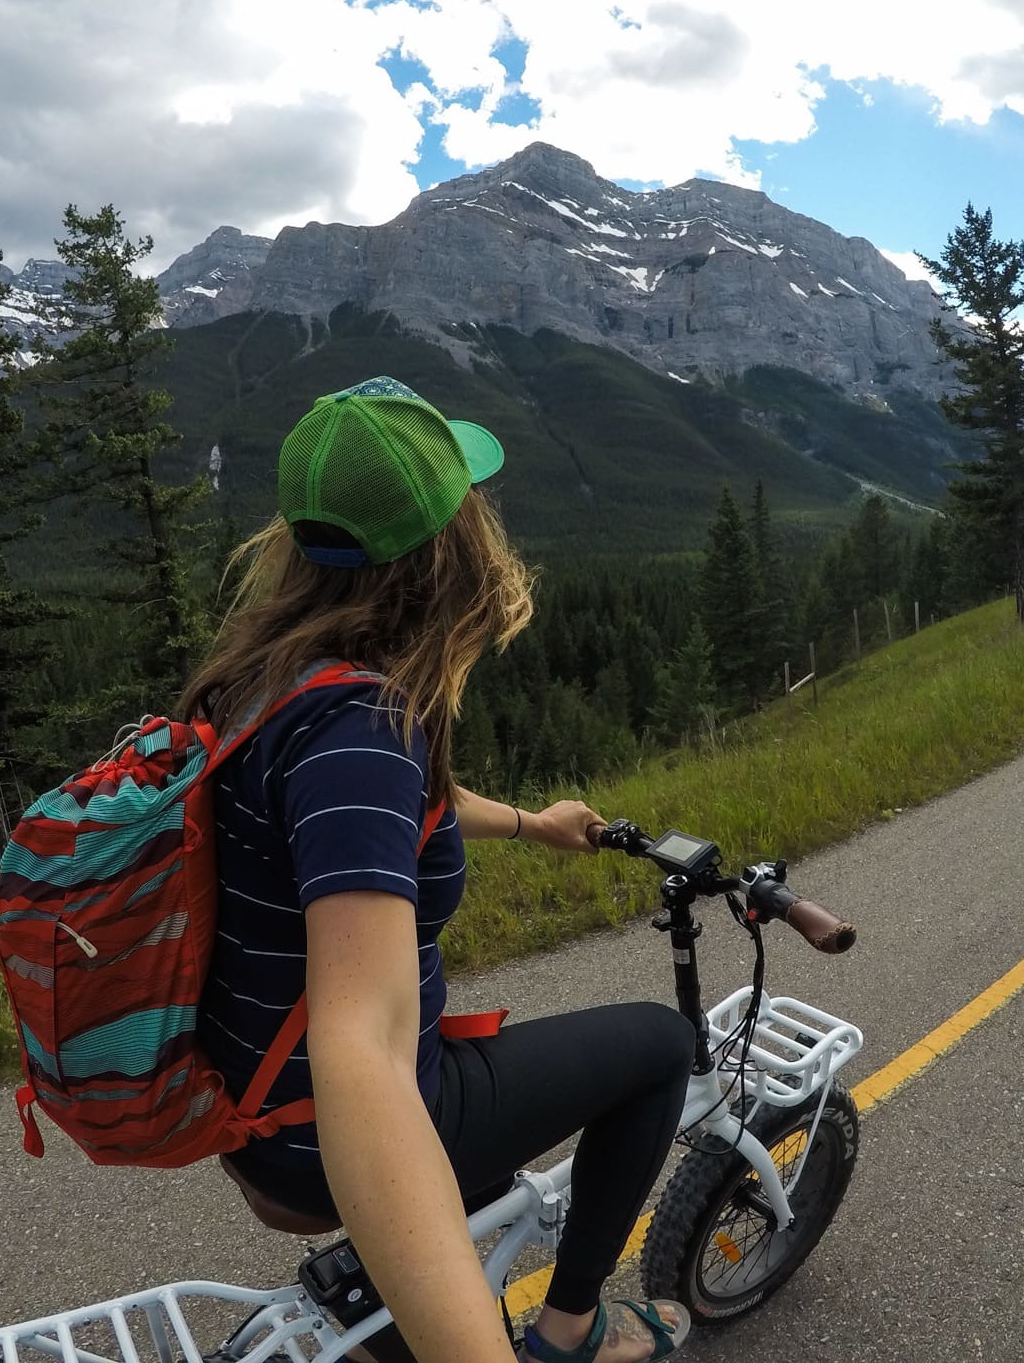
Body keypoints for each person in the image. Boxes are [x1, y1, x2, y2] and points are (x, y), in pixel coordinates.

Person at [181, 377, 697, 1363]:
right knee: (661, 1048)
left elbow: (366, 816)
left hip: (247, 1104)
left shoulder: (269, 677)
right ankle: (571, 1328)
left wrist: (530, 825)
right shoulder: (363, 731)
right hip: (318, 1131)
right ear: (444, 549)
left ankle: (392, 1289)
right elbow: (364, 1051)